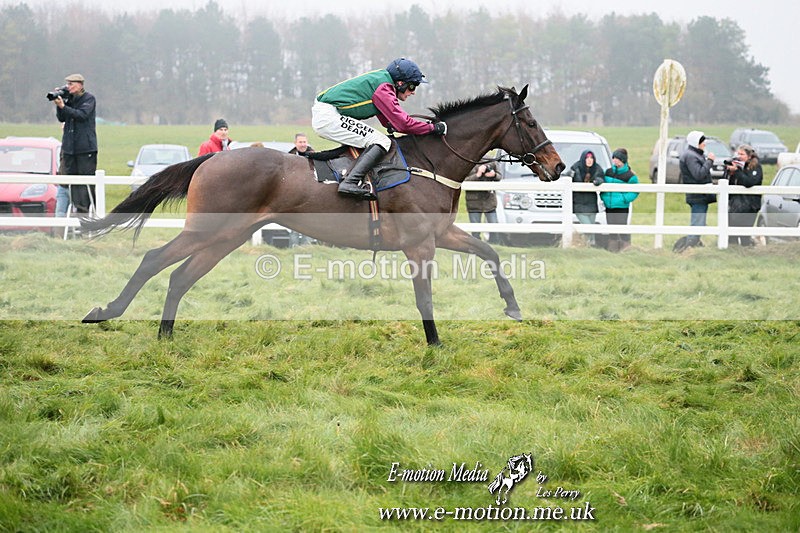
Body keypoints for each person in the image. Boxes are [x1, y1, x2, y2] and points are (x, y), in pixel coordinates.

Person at [312, 57, 447, 199]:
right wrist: (433, 128)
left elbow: (389, 121)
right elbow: (403, 124)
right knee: (382, 142)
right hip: (328, 116)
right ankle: (350, 182)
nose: (413, 92)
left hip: (327, 112)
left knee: (378, 139)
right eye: (412, 86)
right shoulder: (385, 88)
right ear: (400, 83)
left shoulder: (383, 81)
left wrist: (394, 126)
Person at [53, 73, 97, 215]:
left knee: (84, 184)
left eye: (71, 84)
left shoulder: (89, 99)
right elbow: (61, 118)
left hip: (85, 149)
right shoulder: (69, 100)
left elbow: (81, 115)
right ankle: (70, 212)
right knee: (70, 183)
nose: (69, 87)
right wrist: (59, 105)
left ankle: (84, 213)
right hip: (69, 149)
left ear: (80, 85)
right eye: (67, 84)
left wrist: (64, 106)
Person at [674, 130, 716, 252]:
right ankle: (688, 249)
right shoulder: (691, 156)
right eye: (703, 141)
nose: (705, 144)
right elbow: (699, 174)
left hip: (700, 195)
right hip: (698, 195)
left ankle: (691, 247)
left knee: (699, 224)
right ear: (696, 142)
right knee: (697, 224)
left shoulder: (694, 154)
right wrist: (710, 161)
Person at [596, 148, 639, 252]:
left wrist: (624, 199)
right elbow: (603, 185)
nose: (614, 160)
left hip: (621, 207)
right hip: (609, 206)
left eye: (617, 158)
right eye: (614, 158)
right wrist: (603, 196)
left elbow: (635, 191)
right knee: (611, 229)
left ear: (623, 160)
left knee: (622, 228)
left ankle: (626, 249)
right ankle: (612, 250)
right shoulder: (609, 172)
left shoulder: (630, 176)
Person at [726, 143, 762, 246]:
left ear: (749, 156)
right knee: (731, 233)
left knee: (744, 235)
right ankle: (733, 253)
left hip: (750, 205)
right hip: (736, 205)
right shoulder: (738, 166)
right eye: (738, 153)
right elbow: (731, 184)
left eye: (742, 154)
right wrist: (731, 174)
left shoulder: (756, 167)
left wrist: (737, 171)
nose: (739, 156)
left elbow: (749, 182)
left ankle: (745, 253)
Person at [570, 150, 604, 246]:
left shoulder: (597, 168)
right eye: (587, 158)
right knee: (588, 227)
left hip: (591, 203)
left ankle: (589, 247)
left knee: (591, 228)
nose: (589, 160)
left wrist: (598, 181)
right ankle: (589, 245)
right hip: (579, 203)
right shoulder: (575, 168)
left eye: (591, 158)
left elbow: (601, 178)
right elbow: (568, 179)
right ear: (583, 159)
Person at [465, 162, 502, 243]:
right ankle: (477, 246)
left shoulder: (492, 161)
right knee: (475, 229)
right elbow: (464, 181)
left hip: (489, 201)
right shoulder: (468, 161)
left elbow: (499, 177)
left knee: (494, 226)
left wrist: (493, 175)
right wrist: (478, 174)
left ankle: (494, 245)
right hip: (473, 202)